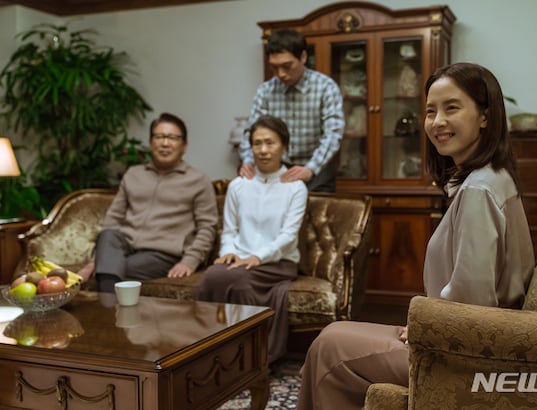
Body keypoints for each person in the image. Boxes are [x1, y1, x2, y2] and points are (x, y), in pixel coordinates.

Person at [297, 62, 535, 409]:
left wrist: (424, 325)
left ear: (485, 116)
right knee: (332, 335)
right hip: (462, 336)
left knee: (328, 349)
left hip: (466, 354)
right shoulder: (490, 178)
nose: (437, 122)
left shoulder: (479, 190)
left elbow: (473, 301)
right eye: (430, 111)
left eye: (451, 108)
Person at [198, 115, 308, 363]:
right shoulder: (238, 186)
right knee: (212, 275)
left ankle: (251, 358)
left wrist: (258, 257)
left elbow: (288, 236)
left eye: (270, 142)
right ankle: (209, 353)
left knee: (239, 282)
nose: (263, 150)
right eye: (257, 143)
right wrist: (228, 251)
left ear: (284, 146)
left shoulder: (296, 188)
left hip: (279, 262)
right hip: (240, 260)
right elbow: (230, 230)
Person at [85, 112, 218, 292]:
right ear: (150, 142)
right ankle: (110, 304)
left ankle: (106, 305)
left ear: (184, 146)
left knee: (112, 269)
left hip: (163, 254)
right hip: (125, 246)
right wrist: (95, 261)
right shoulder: (134, 174)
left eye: (172, 138)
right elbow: (113, 218)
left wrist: (189, 261)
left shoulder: (198, 180)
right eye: (159, 137)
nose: (165, 143)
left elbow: (207, 227)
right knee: (108, 235)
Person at [238, 28, 345, 192]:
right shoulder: (265, 91)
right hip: (278, 171)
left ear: (303, 57)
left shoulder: (325, 87)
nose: (280, 74)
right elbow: (251, 131)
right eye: (274, 67)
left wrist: (310, 168)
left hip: (317, 171)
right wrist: (247, 160)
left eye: (287, 66)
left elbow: (333, 134)